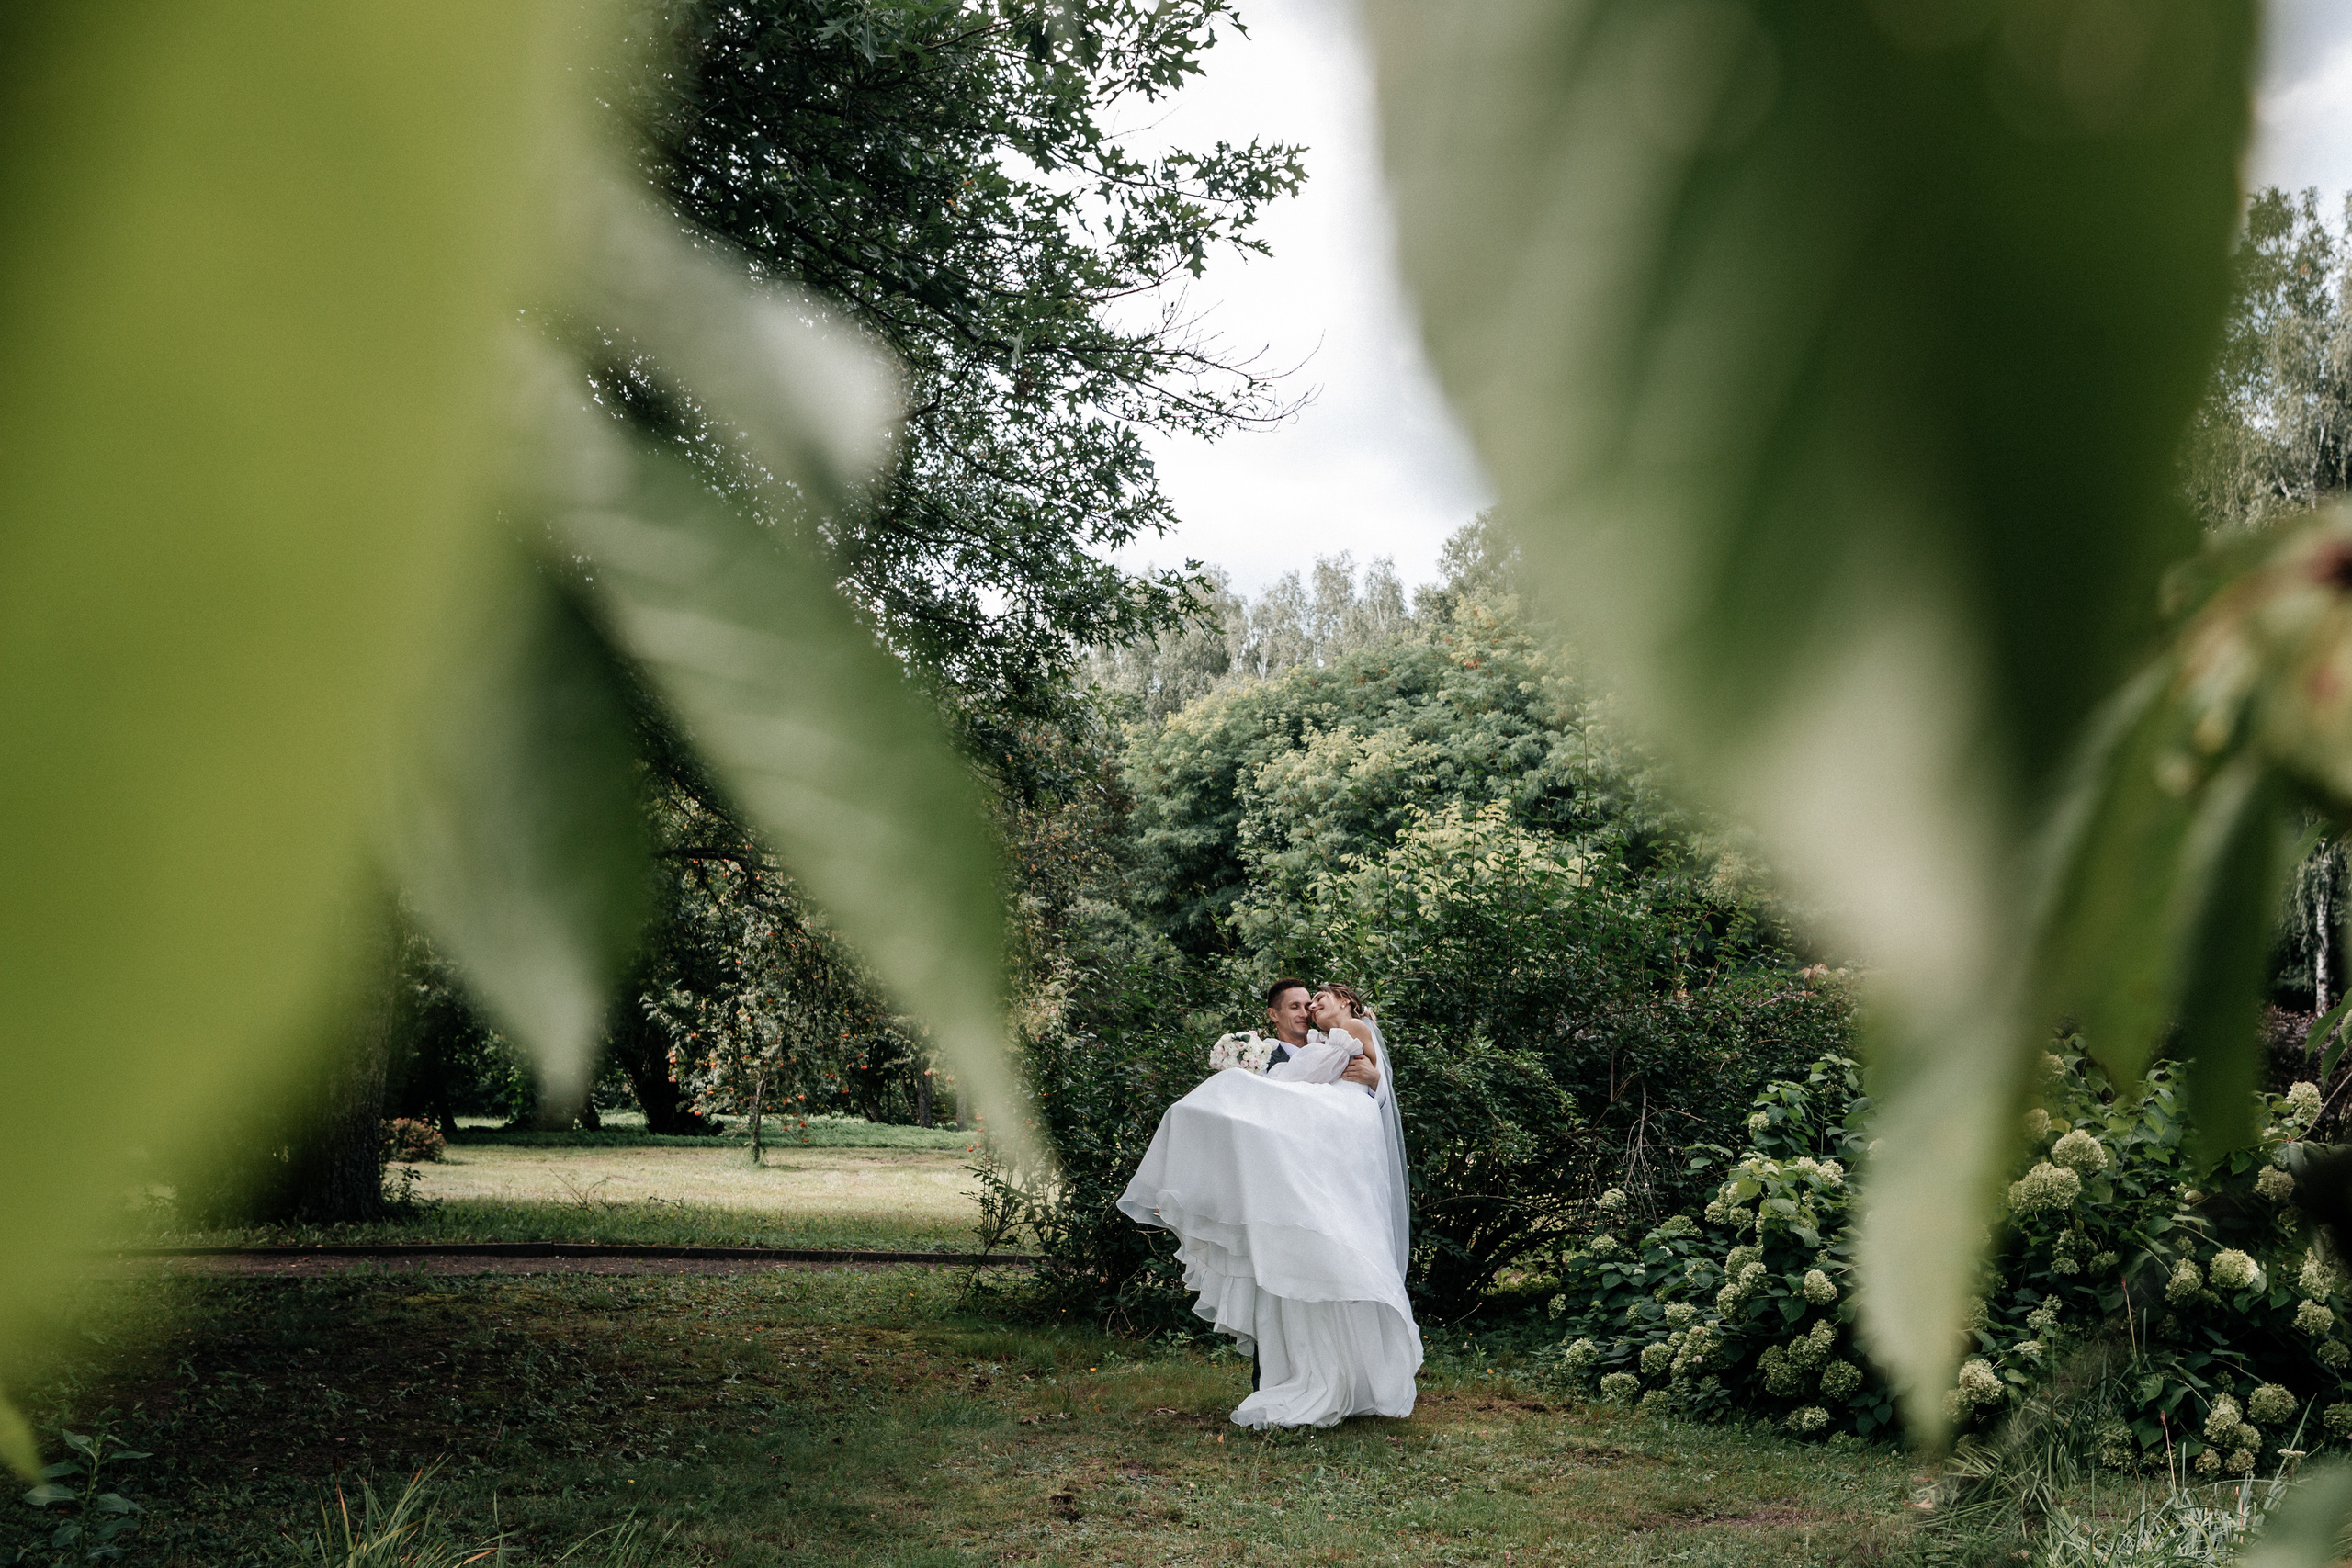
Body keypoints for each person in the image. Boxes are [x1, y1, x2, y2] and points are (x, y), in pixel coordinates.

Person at [1116, 977, 1419, 1428]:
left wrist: (1376, 1081)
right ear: (1274, 1015)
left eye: (1311, 1003)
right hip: (1276, 1194)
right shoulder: (1261, 1057)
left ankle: (1350, 1379)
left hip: (1330, 1183)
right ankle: (1275, 1379)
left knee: (1335, 1273)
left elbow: (1372, 1099)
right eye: (1296, 1006)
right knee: (1276, 1289)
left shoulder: (1335, 1041)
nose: (1306, 1011)